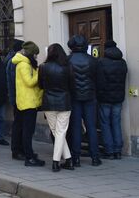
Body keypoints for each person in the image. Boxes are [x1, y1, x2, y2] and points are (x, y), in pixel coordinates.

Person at [38, 43, 74, 172]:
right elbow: (72, 85)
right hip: (64, 102)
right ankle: (62, 161)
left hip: (48, 102)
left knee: (57, 132)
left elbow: (40, 85)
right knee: (60, 132)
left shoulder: (43, 67)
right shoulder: (68, 67)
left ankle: (61, 161)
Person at [67, 35, 101, 167]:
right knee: (91, 127)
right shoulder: (93, 60)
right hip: (90, 97)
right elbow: (99, 79)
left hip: (74, 97)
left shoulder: (68, 60)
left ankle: (76, 158)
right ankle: (95, 157)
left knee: (76, 128)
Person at [12, 41, 44, 167]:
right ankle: (29, 157)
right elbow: (30, 82)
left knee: (24, 129)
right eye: (35, 54)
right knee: (28, 131)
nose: (36, 56)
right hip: (28, 102)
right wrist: (39, 73)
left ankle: (27, 153)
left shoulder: (25, 63)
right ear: (31, 54)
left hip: (26, 100)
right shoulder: (24, 65)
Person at [96, 40, 127, 160]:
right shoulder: (123, 62)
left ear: (105, 49)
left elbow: (99, 80)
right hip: (118, 98)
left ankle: (109, 151)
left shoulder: (101, 62)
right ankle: (118, 150)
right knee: (116, 123)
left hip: (105, 98)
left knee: (105, 124)